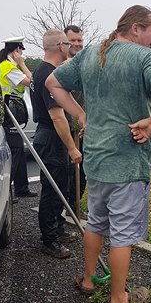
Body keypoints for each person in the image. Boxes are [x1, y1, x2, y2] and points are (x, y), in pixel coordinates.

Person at [46, 5, 151, 303]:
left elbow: (52, 83)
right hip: (126, 161)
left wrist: (80, 114)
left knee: (95, 222)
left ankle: (90, 279)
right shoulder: (144, 58)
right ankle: (118, 297)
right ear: (136, 29)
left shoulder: (91, 53)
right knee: (121, 234)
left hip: (95, 156)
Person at [30, 29, 81, 258]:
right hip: (51, 137)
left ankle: (58, 230)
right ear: (61, 46)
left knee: (61, 186)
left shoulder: (42, 71)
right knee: (52, 190)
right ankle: (49, 240)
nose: (70, 48)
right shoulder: (47, 75)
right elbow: (57, 116)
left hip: (50, 136)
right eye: (68, 44)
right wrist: (72, 148)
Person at [0, 36, 37, 199]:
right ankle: (7, 194)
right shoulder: (9, 67)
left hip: (9, 111)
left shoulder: (2, 65)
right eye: (21, 51)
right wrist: (22, 64)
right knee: (16, 150)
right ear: (18, 50)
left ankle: (22, 188)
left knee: (18, 148)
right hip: (9, 113)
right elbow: (32, 82)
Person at [63, 25, 87, 215]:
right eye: (73, 40)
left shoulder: (85, 64)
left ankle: (75, 206)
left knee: (83, 172)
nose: (77, 44)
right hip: (68, 128)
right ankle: (68, 208)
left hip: (84, 127)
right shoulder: (62, 66)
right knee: (70, 172)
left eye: (80, 40)